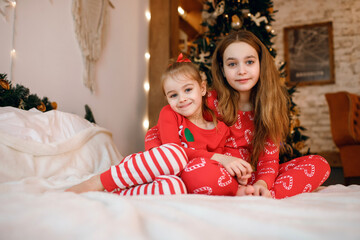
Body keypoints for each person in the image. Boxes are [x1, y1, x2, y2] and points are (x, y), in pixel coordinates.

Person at [145, 30, 331, 199]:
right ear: (223, 70)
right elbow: (158, 134)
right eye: (232, 64)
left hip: (253, 177)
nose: (241, 71)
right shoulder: (207, 101)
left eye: (249, 62)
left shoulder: (269, 108)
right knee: (196, 172)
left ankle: (264, 196)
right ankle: (239, 194)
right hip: (215, 172)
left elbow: (269, 160)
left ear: (261, 64)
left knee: (319, 164)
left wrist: (262, 184)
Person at [66, 53, 253, 196]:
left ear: (202, 89)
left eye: (188, 90)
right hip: (152, 168)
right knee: (175, 154)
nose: (182, 99)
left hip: (175, 180)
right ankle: (99, 181)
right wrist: (218, 158)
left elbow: (214, 168)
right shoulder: (170, 114)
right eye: (173, 95)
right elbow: (172, 149)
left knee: (175, 188)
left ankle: (118, 192)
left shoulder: (220, 129)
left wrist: (235, 172)